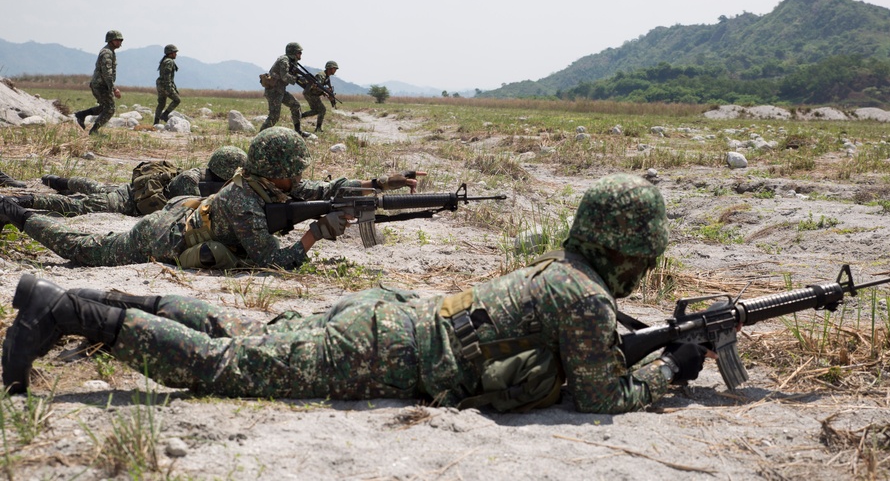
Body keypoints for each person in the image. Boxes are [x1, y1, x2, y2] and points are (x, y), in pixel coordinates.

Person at [1, 174, 712, 414]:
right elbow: (602, 399)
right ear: (630, 244)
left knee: (233, 334)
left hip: (387, 322)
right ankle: (65, 311)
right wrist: (670, 369)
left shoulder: (563, 270)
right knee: (229, 366)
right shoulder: (587, 298)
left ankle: (77, 295)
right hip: (387, 351)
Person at [0, 127, 419, 269]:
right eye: (294, 171)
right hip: (161, 236)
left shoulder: (266, 186)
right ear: (276, 172)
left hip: (184, 215)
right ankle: (16, 213)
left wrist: (381, 184)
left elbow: (326, 191)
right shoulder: (243, 200)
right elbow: (271, 261)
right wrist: (315, 234)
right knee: (81, 249)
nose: (299, 177)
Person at [8, 146, 247, 217]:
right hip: (129, 201)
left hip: (134, 190)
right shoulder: (191, 182)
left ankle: (59, 181)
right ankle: (26, 200)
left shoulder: (201, 173)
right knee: (81, 205)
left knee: (93, 186)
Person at [74, 30, 123, 136]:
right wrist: (114, 89)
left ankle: (81, 115)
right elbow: (107, 73)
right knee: (110, 109)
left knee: (104, 107)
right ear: (110, 40)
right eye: (117, 40)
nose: (119, 42)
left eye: (120, 40)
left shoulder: (110, 52)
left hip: (102, 85)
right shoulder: (107, 53)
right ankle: (94, 130)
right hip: (101, 85)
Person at [260, 42, 306, 136]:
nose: (300, 55)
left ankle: (298, 131)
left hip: (281, 91)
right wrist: (297, 79)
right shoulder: (284, 60)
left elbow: (292, 76)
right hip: (274, 91)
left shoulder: (292, 62)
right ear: (293, 52)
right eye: (299, 52)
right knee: (274, 117)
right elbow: (284, 76)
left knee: (295, 105)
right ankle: (260, 136)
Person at [301, 61, 338, 133]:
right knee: (322, 109)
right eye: (334, 68)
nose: (335, 70)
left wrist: (330, 95)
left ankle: (300, 116)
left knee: (316, 110)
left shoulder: (327, 77)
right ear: (329, 68)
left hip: (314, 94)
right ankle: (318, 128)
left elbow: (327, 88)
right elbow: (316, 86)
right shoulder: (321, 75)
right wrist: (324, 91)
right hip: (310, 93)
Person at [154, 44, 181, 125]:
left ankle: (156, 122)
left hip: (160, 84)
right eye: (174, 52)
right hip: (165, 85)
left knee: (161, 104)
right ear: (170, 53)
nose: (176, 54)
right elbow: (167, 76)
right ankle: (164, 115)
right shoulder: (169, 62)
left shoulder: (164, 61)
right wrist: (169, 88)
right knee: (177, 100)